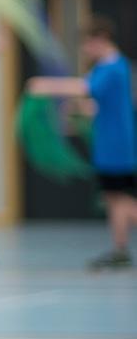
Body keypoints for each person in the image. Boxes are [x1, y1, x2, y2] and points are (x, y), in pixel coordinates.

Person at [28, 15, 136, 269]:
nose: (86, 49)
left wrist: (46, 86)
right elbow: (97, 104)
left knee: (120, 199)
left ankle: (120, 249)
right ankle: (120, 250)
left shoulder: (114, 67)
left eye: (88, 43)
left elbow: (85, 89)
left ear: (101, 40)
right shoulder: (106, 68)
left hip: (117, 146)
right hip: (108, 144)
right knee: (113, 198)